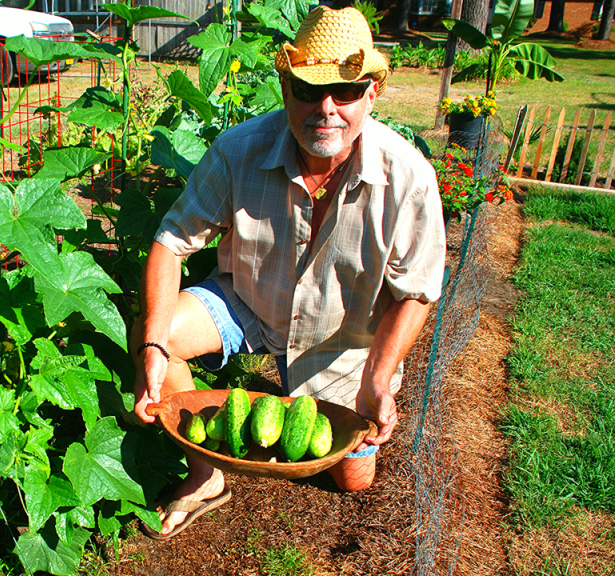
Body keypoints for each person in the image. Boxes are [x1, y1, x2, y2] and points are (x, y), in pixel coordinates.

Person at [131, 6, 446, 539]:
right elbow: (169, 243)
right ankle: (206, 478)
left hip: (343, 338)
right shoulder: (238, 151)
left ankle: (343, 395)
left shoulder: (409, 176)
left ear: (372, 92)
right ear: (284, 86)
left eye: (345, 91)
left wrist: (377, 376)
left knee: (352, 478)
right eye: (306, 88)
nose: (325, 107)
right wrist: (154, 348)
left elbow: (417, 291)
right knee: (157, 332)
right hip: (252, 304)